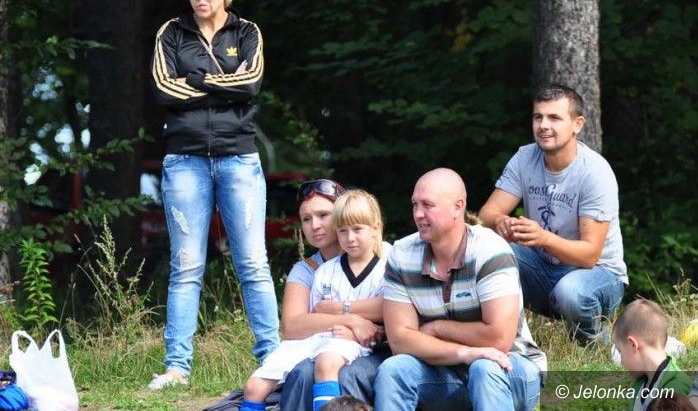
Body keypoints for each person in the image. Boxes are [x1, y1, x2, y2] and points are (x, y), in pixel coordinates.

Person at [148, 0, 278, 389]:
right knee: (186, 266)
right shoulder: (171, 32)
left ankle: (272, 362)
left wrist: (197, 80)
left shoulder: (248, 32)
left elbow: (251, 82)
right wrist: (225, 85)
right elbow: (163, 89)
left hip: (239, 157)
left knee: (253, 264)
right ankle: (177, 368)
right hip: (184, 159)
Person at [374, 168, 546, 411]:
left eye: (427, 205)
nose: (418, 214)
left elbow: (499, 339)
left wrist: (437, 328)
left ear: (458, 207)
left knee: (484, 367)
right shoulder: (401, 254)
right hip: (444, 371)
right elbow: (400, 340)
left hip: (511, 367)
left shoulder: (490, 250)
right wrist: (464, 353)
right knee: (394, 369)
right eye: (414, 204)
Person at [479, 84, 627, 344]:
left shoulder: (595, 172)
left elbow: (590, 255)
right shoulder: (524, 158)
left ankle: (596, 347)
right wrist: (502, 221)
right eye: (538, 117)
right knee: (485, 251)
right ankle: (502, 340)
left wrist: (543, 238)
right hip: (544, 269)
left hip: (598, 276)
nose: (543, 125)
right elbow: (487, 214)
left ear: (577, 125)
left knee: (571, 291)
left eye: (554, 118)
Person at [242, 189, 387, 411]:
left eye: (323, 215)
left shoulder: (389, 259)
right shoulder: (319, 271)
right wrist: (351, 320)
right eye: (306, 219)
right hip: (317, 340)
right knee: (256, 386)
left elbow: (392, 308)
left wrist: (339, 311)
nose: (315, 225)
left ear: (374, 228)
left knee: (328, 366)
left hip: (364, 346)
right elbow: (298, 323)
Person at [612, 299, 691, 411]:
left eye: (620, 351)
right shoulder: (639, 385)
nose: (621, 362)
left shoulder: (677, 388)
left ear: (633, 345)